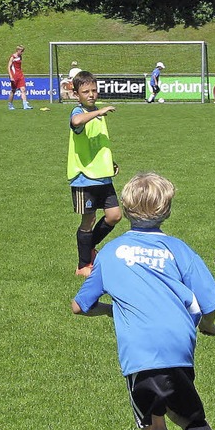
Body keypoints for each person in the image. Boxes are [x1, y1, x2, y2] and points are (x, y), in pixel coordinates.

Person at [71, 172, 215, 430]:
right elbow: (209, 301)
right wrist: (207, 325)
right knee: (191, 419)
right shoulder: (179, 249)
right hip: (179, 350)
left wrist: (113, 309)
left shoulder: (111, 252)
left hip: (141, 356)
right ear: (167, 210)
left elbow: (80, 306)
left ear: (125, 210)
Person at [68, 70, 122, 276]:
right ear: (76, 94)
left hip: (103, 176)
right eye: (85, 91)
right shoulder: (78, 112)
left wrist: (110, 163)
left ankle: (88, 248)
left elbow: (98, 143)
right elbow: (76, 123)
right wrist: (97, 113)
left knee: (114, 215)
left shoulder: (97, 112)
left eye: (94, 90)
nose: (91, 94)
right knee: (88, 221)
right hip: (84, 177)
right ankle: (83, 266)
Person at [7, 45, 33, 110]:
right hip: (14, 75)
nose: (22, 53)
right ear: (18, 50)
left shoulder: (20, 57)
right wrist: (11, 76)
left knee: (23, 89)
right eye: (21, 51)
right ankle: (10, 105)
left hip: (20, 75)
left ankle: (25, 105)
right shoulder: (13, 57)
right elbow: (8, 67)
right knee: (13, 91)